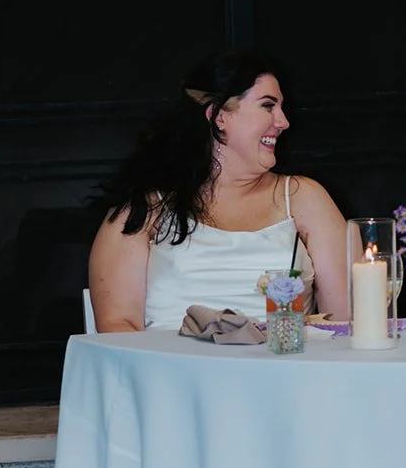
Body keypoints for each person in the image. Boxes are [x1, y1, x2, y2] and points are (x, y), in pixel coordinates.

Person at [89, 50, 349, 332]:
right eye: (267, 105)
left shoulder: (305, 198)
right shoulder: (145, 208)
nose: (283, 121)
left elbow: (345, 322)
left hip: (282, 372)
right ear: (218, 117)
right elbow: (117, 325)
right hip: (173, 373)